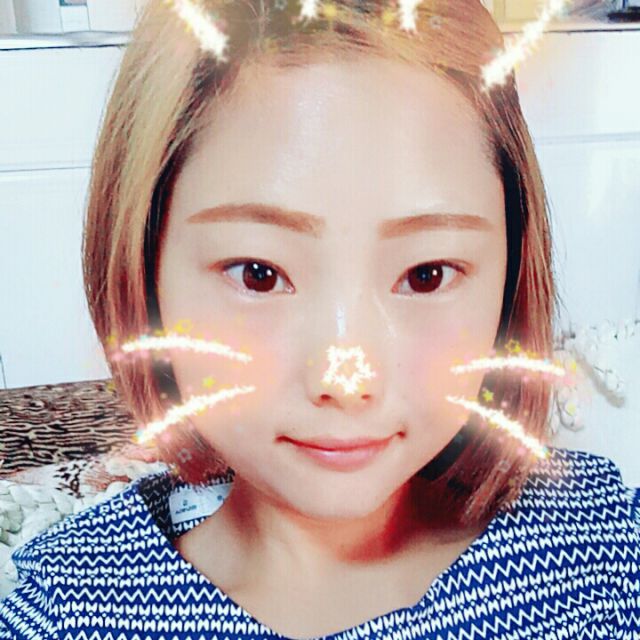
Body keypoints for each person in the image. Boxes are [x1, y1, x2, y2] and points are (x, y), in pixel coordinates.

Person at [1, 0, 638, 637]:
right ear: (145, 274)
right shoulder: (66, 607)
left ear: (510, 274)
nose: (346, 378)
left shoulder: (603, 552)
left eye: (426, 274)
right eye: (259, 274)